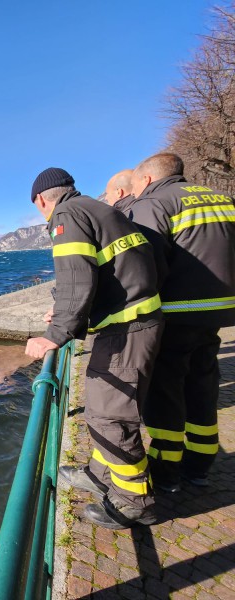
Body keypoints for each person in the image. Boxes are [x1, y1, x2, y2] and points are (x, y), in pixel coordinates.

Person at [25, 167, 163, 529]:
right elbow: (109, 271)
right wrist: (67, 307)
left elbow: (76, 274)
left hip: (126, 329)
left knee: (109, 415)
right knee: (104, 409)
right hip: (137, 320)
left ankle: (135, 500)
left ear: (41, 199)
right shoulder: (101, 210)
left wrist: (56, 333)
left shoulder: (66, 215)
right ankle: (102, 474)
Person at [129, 152, 235, 490]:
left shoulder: (156, 204)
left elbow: (142, 265)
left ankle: (166, 469)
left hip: (174, 314)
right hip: (219, 313)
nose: (134, 193)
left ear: (146, 179)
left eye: (135, 186)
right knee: (202, 386)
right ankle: (200, 466)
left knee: (165, 392)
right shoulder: (223, 199)